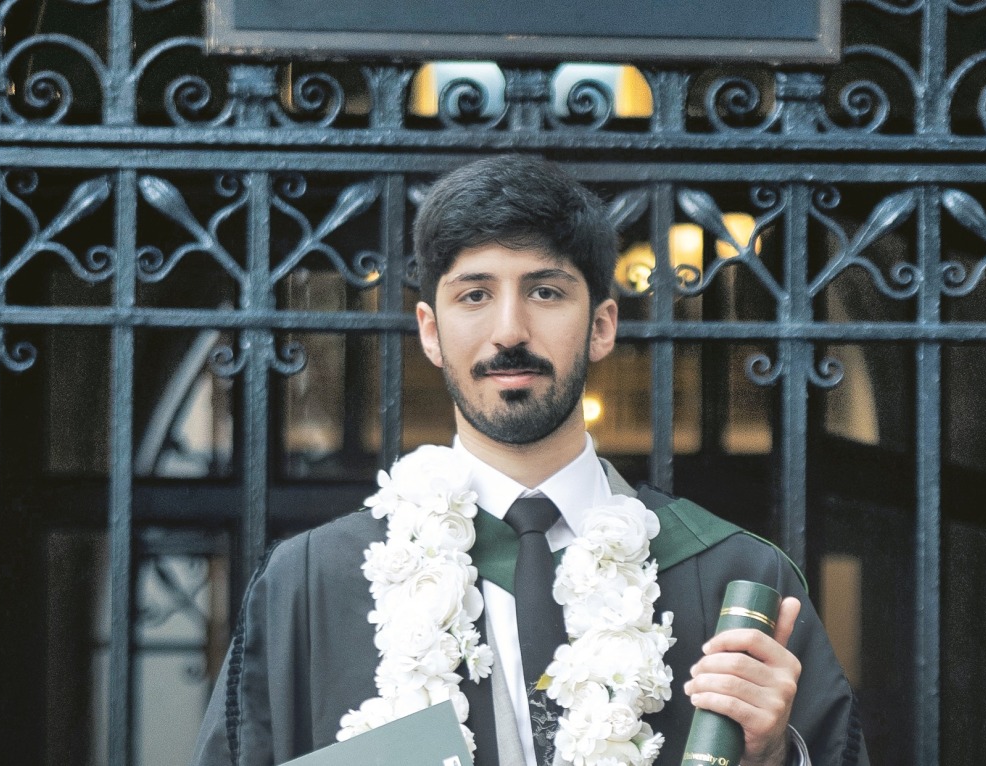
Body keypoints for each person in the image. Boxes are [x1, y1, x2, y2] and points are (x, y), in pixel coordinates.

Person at [191, 155, 869, 766]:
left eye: (545, 291)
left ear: (601, 326)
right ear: (430, 331)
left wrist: (775, 756)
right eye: (474, 295)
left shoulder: (736, 582)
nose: (509, 331)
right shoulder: (308, 588)